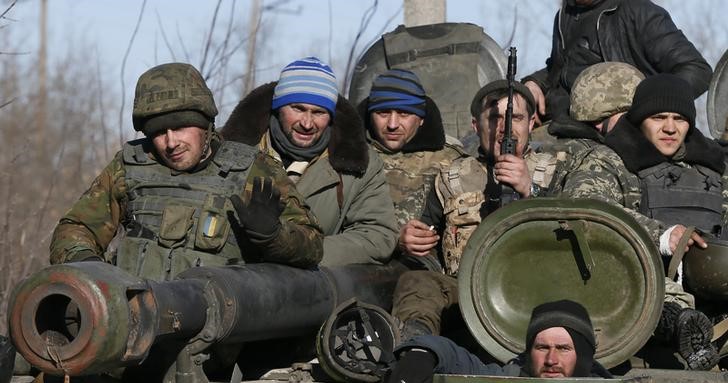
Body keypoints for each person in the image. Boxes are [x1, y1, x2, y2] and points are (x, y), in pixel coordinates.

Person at [50, 62, 323, 280]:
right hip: (134, 322)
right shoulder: (131, 165)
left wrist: (273, 236)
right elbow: (77, 228)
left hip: (221, 335)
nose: (170, 142)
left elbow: (312, 247)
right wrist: (92, 272)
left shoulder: (254, 169)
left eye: (180, 127)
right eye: (158, 132)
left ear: (206, 124)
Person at [558, 73, 726, 369]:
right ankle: (679, 323)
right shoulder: (609, 160)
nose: (671, 128)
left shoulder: (713, 167)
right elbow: (586, 208)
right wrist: (662, 236)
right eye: (659, 117)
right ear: (639, 119)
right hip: (633, 293)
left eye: (679, 118)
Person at [392, 80, 556, 338]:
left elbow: (571, 239)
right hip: (466, 297)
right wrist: (409, 241)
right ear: (475, 125)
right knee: (415, 282)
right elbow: (427, 246)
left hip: (538, 295)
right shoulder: (450, 178)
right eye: (494, 118)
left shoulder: (555, 172)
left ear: (532, 122)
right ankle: (417, 347)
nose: (505, 129)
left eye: (517, 118)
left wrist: (530, 191)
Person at [221, 57, 398, 266]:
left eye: (319, 112)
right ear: (278, 107)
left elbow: (378, 235)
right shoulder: (229, 150)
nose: (307, 123)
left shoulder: (359, 165)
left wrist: (304, 253)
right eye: (297, 108)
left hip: (308, 285)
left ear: (331, 116)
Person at [382, 300, 611, 383]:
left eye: (563, 348)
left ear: (582, 355)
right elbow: (459, 359)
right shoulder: (510, 378)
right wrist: (422, 353)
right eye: (541, 348)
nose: (551, 360)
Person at [523, 0, 712, 124]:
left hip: (613, 137)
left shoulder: (639, 11)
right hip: (561, 123)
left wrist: (643, 111)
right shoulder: (566, 15)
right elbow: (559, 68)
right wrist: (534, 83)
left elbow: (697, 71)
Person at [359, 69, 467, 231]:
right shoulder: (348, 158)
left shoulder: (451, 161)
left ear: (421, 119)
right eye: (383, 113)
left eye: (404, 114)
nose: (392, 124)